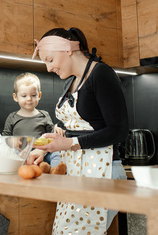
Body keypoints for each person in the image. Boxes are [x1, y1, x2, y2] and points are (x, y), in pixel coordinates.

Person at [27, 27, 129, 235]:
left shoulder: (101, 74)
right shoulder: (71, 83)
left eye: (49, 59)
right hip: (77, 173)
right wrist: (44, 148)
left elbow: (118, 131)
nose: (48, 68)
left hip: (103, 172)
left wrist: (71, 144)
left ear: (68, 50)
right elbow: (68, 130)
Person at [2, 72, 54, 137]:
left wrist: (58, 128)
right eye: (24, 96)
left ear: (39, 96)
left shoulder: (44, 116)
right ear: (15, 97)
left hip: (39, 147)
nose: (29, 99)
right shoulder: (12, 118)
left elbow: (52, 136)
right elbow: (5, 139)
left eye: (33, 95)